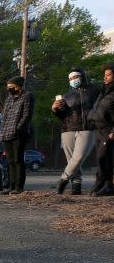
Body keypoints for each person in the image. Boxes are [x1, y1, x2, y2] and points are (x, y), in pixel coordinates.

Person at [51, 67, 100, 195]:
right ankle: (76, 185)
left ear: (82, 76)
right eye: (71, 79)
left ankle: (63, 179)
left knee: (78, 158)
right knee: (71, 159)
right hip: (67, 129)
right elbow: (63, 116)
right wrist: (55, 109)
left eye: (75, 77)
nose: (73, 80)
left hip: (88, 128)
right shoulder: (67, 95)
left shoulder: (95, 91)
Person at [0, 76, 35, 194]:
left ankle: (19, 186)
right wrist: (2, 131)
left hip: (19, 133)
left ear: (18, 86)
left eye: (11, 87)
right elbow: (5, 116)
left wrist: (18, 128)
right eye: (8, 87)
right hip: (6, 133)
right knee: (9, 161)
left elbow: (26, 116)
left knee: (17, 160)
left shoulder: (27, 96)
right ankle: (11, 186)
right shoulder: (9, 98)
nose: (9, 89)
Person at [88, 63, 114, 196]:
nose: (105, 77)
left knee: (104, 158)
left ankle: (107, 185)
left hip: (109, 131)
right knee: (101, 159)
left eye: (108, 75)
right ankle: (103, 184)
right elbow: (97, 109)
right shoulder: (103, 92)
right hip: (99, 129)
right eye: (105, 75)